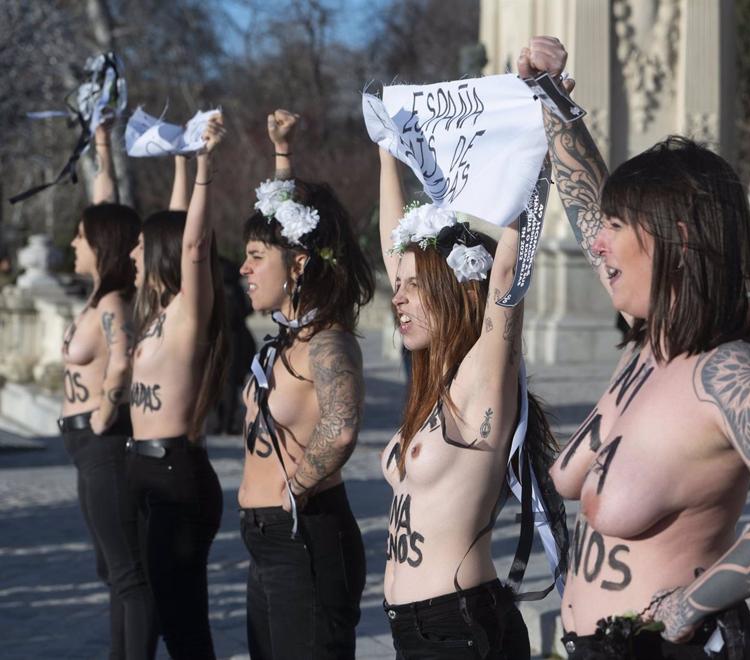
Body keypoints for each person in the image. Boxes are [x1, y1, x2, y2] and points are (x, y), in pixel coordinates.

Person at [520, 37, 750, 658]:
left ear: (674, 236)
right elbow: (587, 211)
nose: (598, 244)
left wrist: (696, 604)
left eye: (619, 227)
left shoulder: (729, 371)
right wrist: (551, 101)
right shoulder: (645, 347)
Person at [377, 145, 567, 659]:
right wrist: (385, 150)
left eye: (416, 287)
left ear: (453, 293)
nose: (399, 297)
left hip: (458, 628)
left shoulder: (481, 382)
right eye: (401, 286)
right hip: (417, 631)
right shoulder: (432, 390)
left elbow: (505, 277)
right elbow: (394, 248)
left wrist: (538, 147)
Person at [237, 109, 373, 659]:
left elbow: (341, 431)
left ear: (296, 265)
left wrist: (293, 489)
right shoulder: (289, 340)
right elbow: (289, 216)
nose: (244, 269)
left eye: (254, 257)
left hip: (306, 538)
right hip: (268, 541)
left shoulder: (329, 343)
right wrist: (282, 151)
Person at [126, 113, 227, 658]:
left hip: (175, 476)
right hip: (144, 472)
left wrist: (205, 163)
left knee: (184, 626)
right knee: (166, 614)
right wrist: (180, 161)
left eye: (143, 246)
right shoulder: (156, 312)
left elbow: (191, 245)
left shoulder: (189, 314)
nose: (134, 254)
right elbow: (173, 222)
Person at [60, 118, 157, 659]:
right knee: (110, 566)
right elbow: (107, 209)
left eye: (81, 236)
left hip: (103, 445)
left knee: (126, 573)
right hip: (85, 449)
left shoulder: (115, 303)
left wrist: (104, 409)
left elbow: (120, 361)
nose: (75, 241)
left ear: (100, 246)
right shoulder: (100, 297)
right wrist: (101, 142)